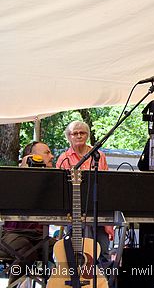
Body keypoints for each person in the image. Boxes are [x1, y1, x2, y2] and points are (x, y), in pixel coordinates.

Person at [55, 120, 113, 265]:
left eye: (82, 133)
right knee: (74, 254)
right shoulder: (64, 158)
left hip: (97, 212)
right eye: (75, 133)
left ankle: (101, 284)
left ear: (87, 135)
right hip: (74, 213)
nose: (79, 136)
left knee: (102, 252)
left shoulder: (98, 155)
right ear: (69, 137)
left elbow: (106, 186)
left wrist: (109, 223)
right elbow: (59, 187)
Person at [0, 142, 56, 285]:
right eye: (47, 153)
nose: (52, 156)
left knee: (66, 251)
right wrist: (25, 169)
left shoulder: (53, 180)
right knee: (27, 252)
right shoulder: (14, 177)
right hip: (13, 233)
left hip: (41, 235)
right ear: (32, 156)